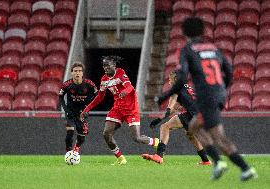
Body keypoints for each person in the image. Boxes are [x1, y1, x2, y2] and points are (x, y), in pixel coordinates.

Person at [155, 17, 257, 181]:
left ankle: (242, 168)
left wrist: (163, 96)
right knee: (194, 127)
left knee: (218, 137)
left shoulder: (188, 50)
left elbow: (181, 79)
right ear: (202, 31)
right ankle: (219, 163)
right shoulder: (214, 48)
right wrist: (221, 89)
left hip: (207, 97)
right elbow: (229, 72)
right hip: (218, 95)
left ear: (185, 33)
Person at [81, 56, 159, 165]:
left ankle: (155, 142)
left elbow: (130, 87)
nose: (105, 67)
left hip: (131, 109)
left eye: (108, 65)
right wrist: (87, 109)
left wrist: (125, 92)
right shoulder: (104, 80)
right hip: (117, 109)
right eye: (104, 65)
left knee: (137, 138)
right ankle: (121, 158)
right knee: (106, 133)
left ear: (114, 65)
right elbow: (99, 96)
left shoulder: (120, 73)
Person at [142, 71, 211, 165]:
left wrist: (158, 120)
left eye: (170, 80)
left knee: (165, 127)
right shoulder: (186, 87)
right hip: (202, 113)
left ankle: (159, 155)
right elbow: (176, 108)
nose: (169, 82)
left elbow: (169, 109)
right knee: (191, 135)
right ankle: (205, 160)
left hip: (192, 114)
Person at [59, 62, 98, 153]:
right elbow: (60, 96)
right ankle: (68, 152)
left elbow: (98, 96)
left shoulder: (89, 84)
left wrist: (88, 106)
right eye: (75, 71)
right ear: (72, 73)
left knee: (81, 136)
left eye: (80, 71)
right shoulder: (66, 84)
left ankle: (76, 149)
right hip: (71, 112)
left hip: (82, 113)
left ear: (82, 73)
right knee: (70, 133)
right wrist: (66, 109)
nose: (77, 73)